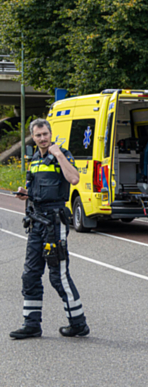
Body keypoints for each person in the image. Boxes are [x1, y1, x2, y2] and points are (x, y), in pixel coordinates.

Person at [11, 118, 89, 339]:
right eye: (38, 135)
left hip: (55, 223)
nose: (43, 138)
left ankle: (78, 324)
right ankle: (32, 324)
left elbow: (74, 178)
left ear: (51, 134)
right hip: (36, 223)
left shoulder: (61, 154)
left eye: (45, 134)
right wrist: (24, 193)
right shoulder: (34, 158)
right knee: (30, 275)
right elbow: (35, 189)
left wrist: (59, 155)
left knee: (58, 276)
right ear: (33, 138)